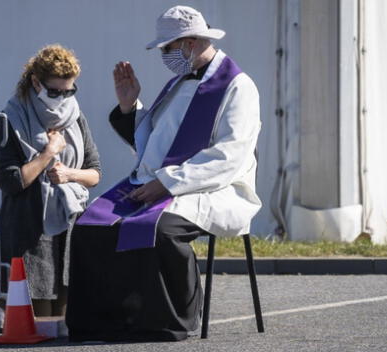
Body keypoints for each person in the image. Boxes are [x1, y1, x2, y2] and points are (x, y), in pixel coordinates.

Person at [66, 5, 261, 341]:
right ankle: (105, 322)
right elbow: (155, 142)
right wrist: (130, 107)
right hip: (156, 182)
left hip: (214, 187)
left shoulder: (238, 87)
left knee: (160, 229)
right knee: (89, 228)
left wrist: (168, 184)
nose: (166, 55)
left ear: (192, 42)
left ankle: (172, 321)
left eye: (169, 48)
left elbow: (229, 155)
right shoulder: (176, 85)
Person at [0, 44, 101, 327]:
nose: (62, 97)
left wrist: (69, 174)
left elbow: (94, 173)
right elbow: (10, 182)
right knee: (39, 322)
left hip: (69, 218)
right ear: (36, 83)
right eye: (54, 91)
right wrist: (48, 153)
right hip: (28, 220)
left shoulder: (76, 117)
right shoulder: (10, 119)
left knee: (65, 324)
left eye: (69, 91)